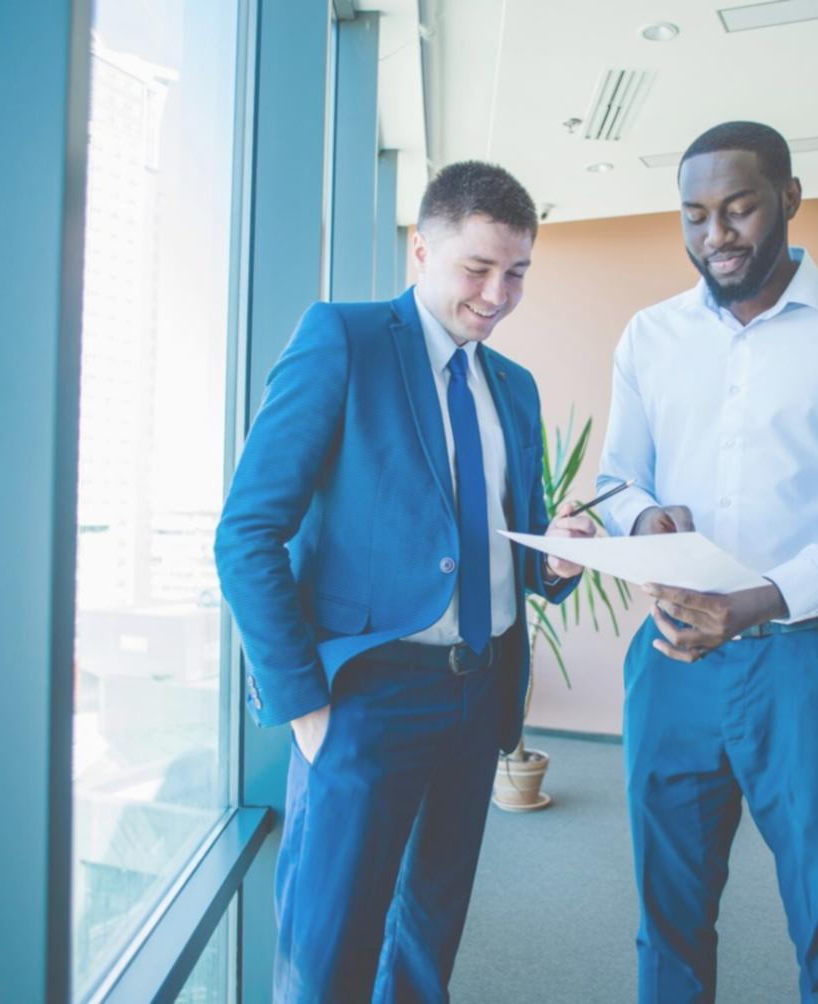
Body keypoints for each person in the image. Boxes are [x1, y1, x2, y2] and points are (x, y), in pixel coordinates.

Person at [215, 161, 592, 1003]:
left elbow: (510, 540)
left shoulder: (513, 386)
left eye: (517, 273)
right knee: (328, 954)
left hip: (479, 690)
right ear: (421, 250)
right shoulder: (343, 340)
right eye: (477, 268)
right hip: (367, 696)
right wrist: (304, 705)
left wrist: (556, 556)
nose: (497, 295)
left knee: (428, 940)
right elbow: (246, 534)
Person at [596, 121, 818, 1003]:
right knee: (667, 911)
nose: (714, 234)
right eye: (694, 215)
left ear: (788, 199)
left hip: (808, 660)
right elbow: (614, 479)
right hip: (672, 656)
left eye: (738, 208)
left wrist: (765, 598)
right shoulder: (650, 335)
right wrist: (642, 517)